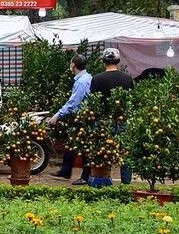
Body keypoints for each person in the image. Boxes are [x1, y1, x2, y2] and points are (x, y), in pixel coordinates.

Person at [72, 48, 135, 185]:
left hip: (103, 122)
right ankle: (126, 183)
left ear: (103, 61)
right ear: (118, 61)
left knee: (102, 152)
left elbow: (93, 101)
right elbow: (131, 100)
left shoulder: (97, 79)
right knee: (124, 152)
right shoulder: (127, 78)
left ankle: (102, 181)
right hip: (122, 120)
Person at [49, 54, 92, 181]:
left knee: (82, 146)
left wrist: (58, 114)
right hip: (82, 116)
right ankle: (66, 171)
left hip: (81, 117)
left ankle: (84, 176)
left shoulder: (82, 81)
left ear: (73, 65)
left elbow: (73, 102)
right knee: (72, 143)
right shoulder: (86, 78)